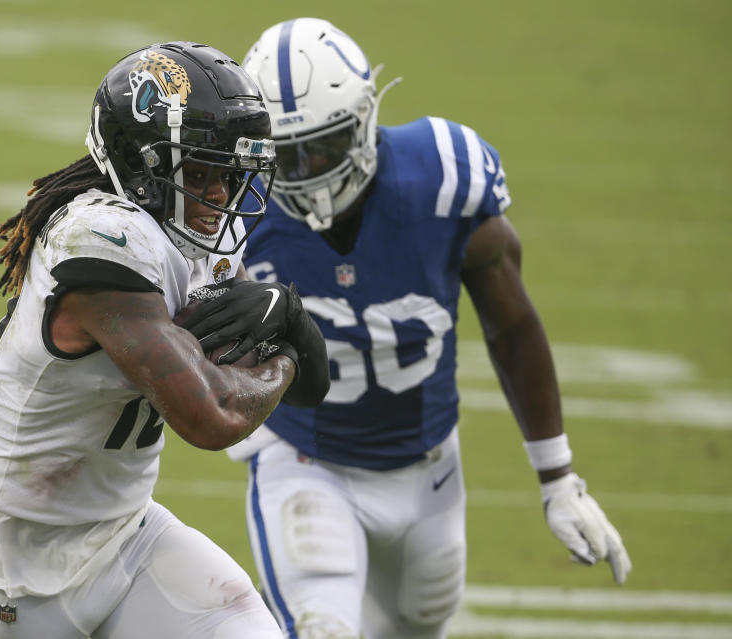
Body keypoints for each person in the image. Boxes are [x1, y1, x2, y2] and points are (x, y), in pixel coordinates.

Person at [214, 17, 632, 639]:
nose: (305, 173)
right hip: (306, 458)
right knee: (320, 623)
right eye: (286, 154)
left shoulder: (442, 180)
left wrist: (558, 477)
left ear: (365, 121)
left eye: (322, 147)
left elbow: (511, 326)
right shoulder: (233, 215)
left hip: (427, 465)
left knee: (421, 621)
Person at [0, 41, 329, 639]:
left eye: (225, 173)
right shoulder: (102, 242)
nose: (218, 195)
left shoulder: (188, 236)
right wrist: (285, 359)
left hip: (127, 537)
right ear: (143, 167)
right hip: (14, 567)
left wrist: (291, 318)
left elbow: (315, 389)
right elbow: (213, 416)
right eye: (199, 173)